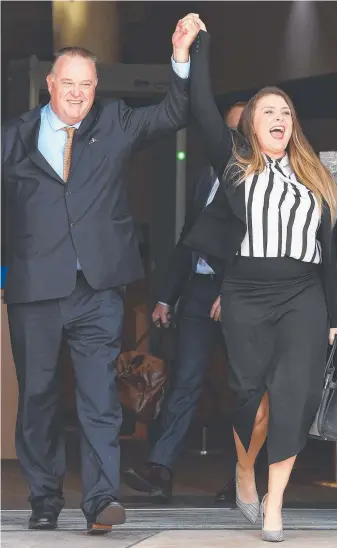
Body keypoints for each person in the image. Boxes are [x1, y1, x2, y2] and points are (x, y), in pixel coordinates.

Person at [1, 16, 200, 534]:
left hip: (98, 289)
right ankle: (44, 497)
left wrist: (179, 55)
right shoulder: (15, 136)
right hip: (35, 292)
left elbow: (175, 111)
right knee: (38, 399)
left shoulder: (114, 122)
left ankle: (101, 501)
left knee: (99, 398)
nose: (78, 93)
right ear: (50, 84)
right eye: (69, 83)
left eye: (87, 85)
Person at [179, 14, 337, 542]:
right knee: (253, 398)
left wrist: (334, 317)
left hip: (303, 295)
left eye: (285, 112)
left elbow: (330, 252)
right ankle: (245, 471)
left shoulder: (317, 178)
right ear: (250, 125)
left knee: (294, 394)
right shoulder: (235, 165)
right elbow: (201, 110)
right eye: (267, 111)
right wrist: (193, 51)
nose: (278, 118)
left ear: (293, 124)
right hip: (245, 292)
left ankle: (275, 505)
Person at [123, 102, 245, 505]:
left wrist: (231, 291)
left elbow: (262, 246)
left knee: (246, 388)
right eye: (227, 131)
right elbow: (188, 237)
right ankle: (160, 469)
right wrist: (164, 295)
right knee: (185, 380)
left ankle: (245, 479)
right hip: (196, 290)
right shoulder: (204, 176)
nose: (232, 139)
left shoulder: (260, 180)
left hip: (242, 295)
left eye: (241, 131)